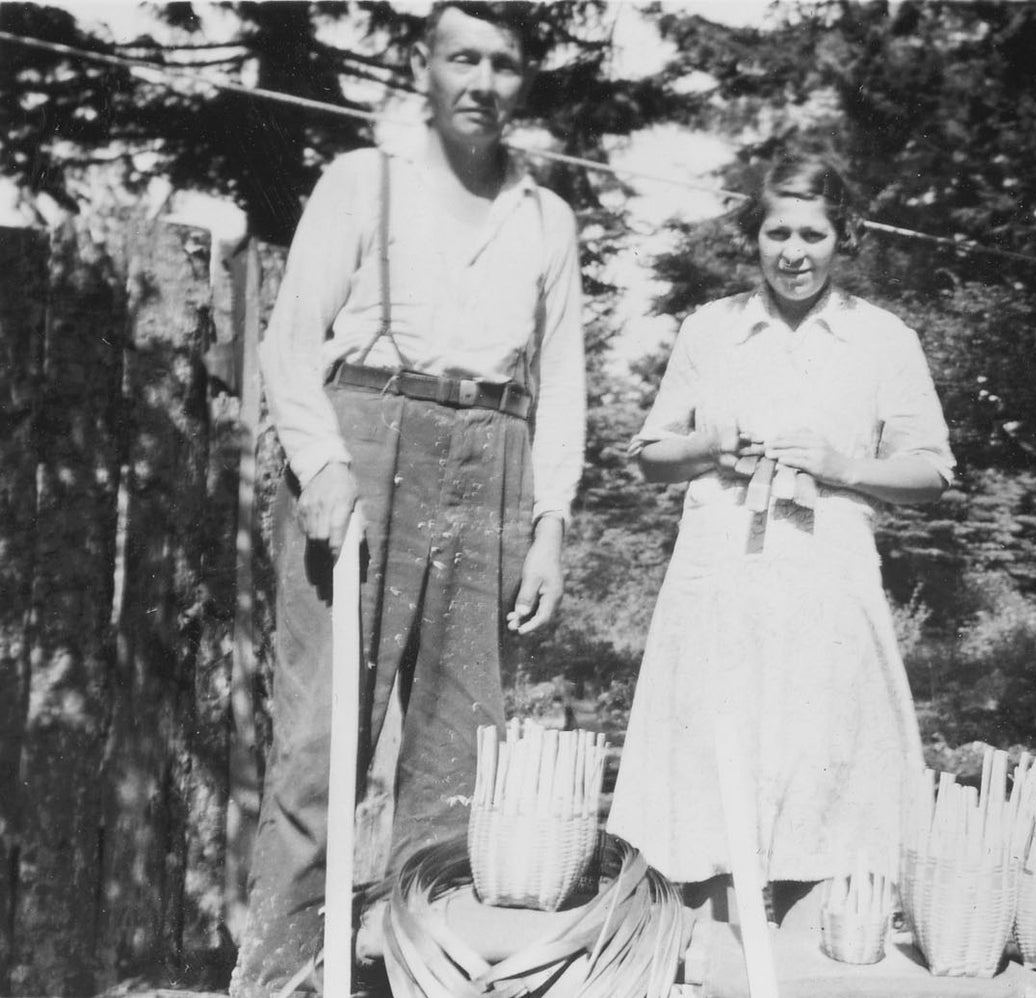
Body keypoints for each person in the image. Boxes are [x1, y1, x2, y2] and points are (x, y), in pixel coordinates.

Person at [231, 4, 584, 996]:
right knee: (319, 737)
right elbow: (289, 340)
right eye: (460, 57)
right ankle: (279, 976)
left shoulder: (547, 218)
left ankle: (422, 973)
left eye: (503, 64)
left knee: (458, 749)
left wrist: (550, 523)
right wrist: (320, 459)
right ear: (422, 67)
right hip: (368, 432)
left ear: (523, 82)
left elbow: (562, 386)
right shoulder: (363, 181)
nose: (480, 80)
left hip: (497, 458)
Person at [606, 156, 953, 927]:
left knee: (821, 751)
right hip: (721, 571)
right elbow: (651, 455)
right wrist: (710, 447)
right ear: (752, 238)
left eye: (813, 234)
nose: (793, 252)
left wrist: (842, 467)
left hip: (825, 572)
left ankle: (802, 942)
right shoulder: (711, 329)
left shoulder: (882, 338)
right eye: (776, 233)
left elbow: (930, 472)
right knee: (712, 750)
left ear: (845, 237)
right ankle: (707, 943)